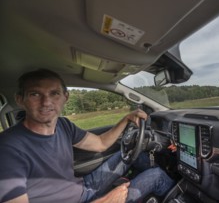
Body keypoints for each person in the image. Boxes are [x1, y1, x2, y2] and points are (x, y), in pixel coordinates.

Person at [0, 69, 174, 203]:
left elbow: (99, 144)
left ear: (65, 97)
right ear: (20, 99)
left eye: (54, 93)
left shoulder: (63, 125)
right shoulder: (7, 148)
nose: (46, 102)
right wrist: (105, 200)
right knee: (157, 175)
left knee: (131, 154)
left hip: (84, 186)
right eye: (35, 94)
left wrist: (126, 119)